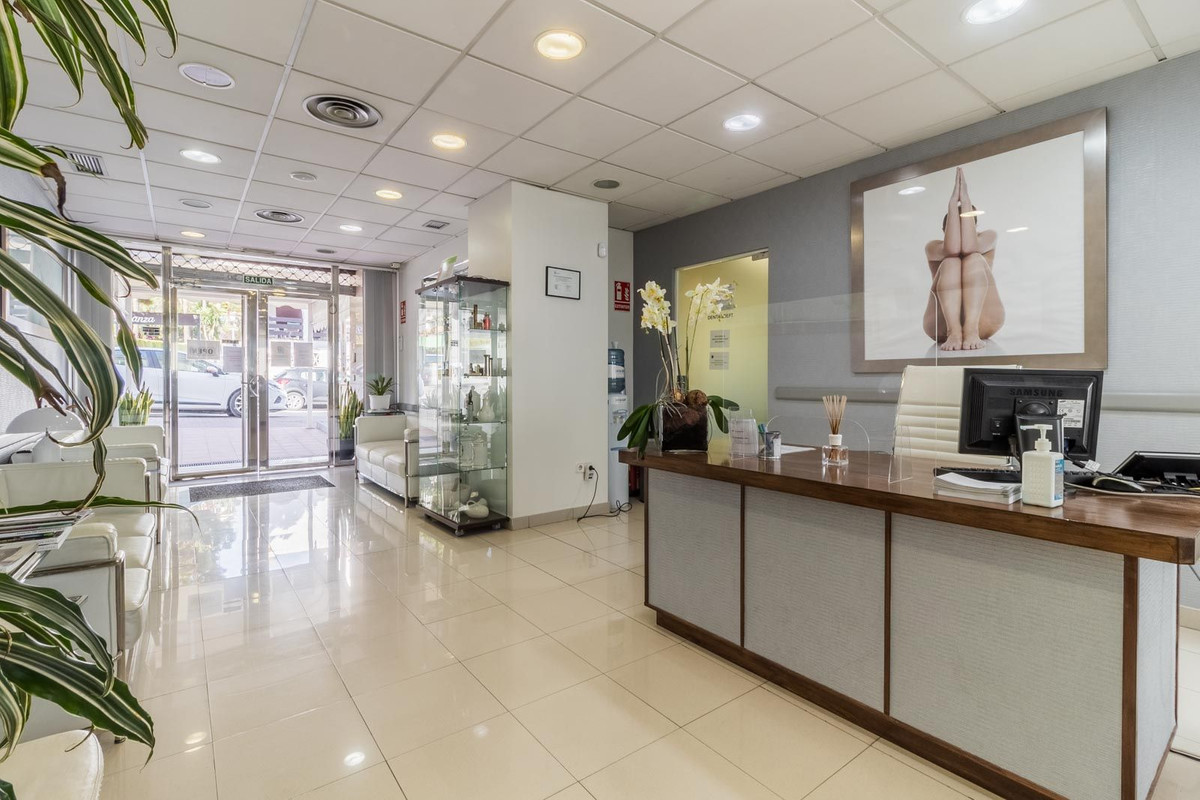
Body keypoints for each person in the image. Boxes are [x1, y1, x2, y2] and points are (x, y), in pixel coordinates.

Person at [922, 167, 1005, 350]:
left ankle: (970, 329)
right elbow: (952, 249)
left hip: (984, 320)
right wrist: (953, 204)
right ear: (945, 231)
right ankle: (954, 331)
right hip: (941, 324)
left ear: (974, 228)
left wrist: (965, 202)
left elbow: (969, 247)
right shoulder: (934, 246)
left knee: (973, 258)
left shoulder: (988, 237)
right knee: (951, 261)